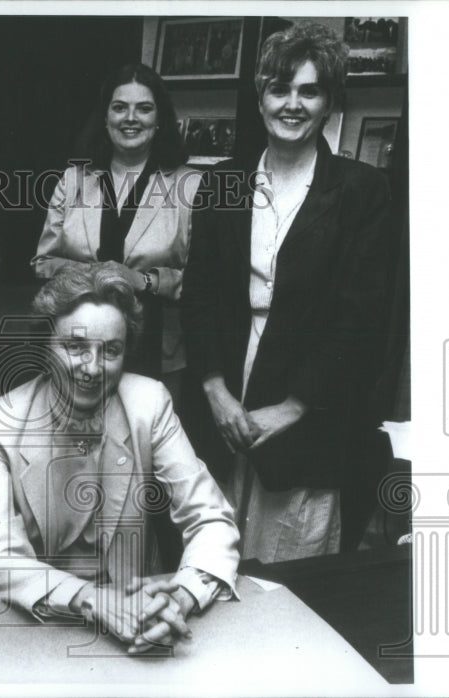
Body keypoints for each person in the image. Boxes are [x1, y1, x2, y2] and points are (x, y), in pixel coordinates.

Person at [180, 22, 391, 564]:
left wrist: (293, 407)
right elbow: (198, 293)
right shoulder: (221, 184)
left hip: (314, 396)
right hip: (224, 385)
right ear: (260, 97)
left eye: (309, 90)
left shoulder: (362, 190)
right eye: (280, 89)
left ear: (328, 103)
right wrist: (214, 389)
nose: (292, 104)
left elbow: (361, 317)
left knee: (289, 563)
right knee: (213, 550)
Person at [0, 264, 240, 654]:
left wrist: (180, 596)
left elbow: (212, 518)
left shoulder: (149, 403)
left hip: (133, 612)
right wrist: (93, 599)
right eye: (76, 347)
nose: (93, 368)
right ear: (45, 342)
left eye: (110, 350)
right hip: (29, 614)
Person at [32, 63, 200, 396]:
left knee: (145, 443)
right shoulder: (73, 179)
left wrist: (145, 280)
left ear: (161, 118)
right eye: (120, 107)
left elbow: (200, 278)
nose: (130, 118)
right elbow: (43, 263)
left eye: (144, 108)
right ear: (105, 117)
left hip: (158, 350)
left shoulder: (191, 185)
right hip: (78, 347)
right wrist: (98, 274)